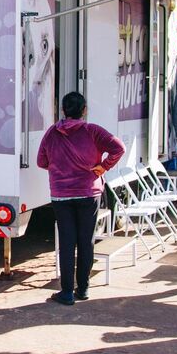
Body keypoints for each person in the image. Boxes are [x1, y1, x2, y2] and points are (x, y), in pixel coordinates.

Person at [37, 92, 125, 306]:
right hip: (88, 193)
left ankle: (67, 292)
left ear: (62, 110)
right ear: (84, 110)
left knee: (67, 243)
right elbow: (119, 148)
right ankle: (83, 288)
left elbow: (41, 161)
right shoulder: (92, 131)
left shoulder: (52, 133)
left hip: (61, 195)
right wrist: (103, 167)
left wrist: (59, 168)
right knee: (86, 241)